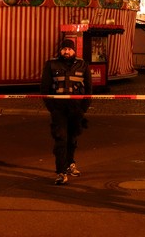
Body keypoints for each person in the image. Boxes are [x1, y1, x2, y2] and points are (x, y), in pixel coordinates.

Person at [40, 38, 92, 185]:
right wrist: (52, 108)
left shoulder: (83, 65)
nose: (66, 51)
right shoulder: (51, 64)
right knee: (60, 138)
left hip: (76, 109)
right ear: (60, 51)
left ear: (74, 50)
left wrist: (83, 108)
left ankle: (70, 163)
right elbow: (44, 89)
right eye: (64, 49)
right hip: (59, 109)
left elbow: (89, 89)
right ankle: (61, 172)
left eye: (69, 49)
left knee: (73, 138)